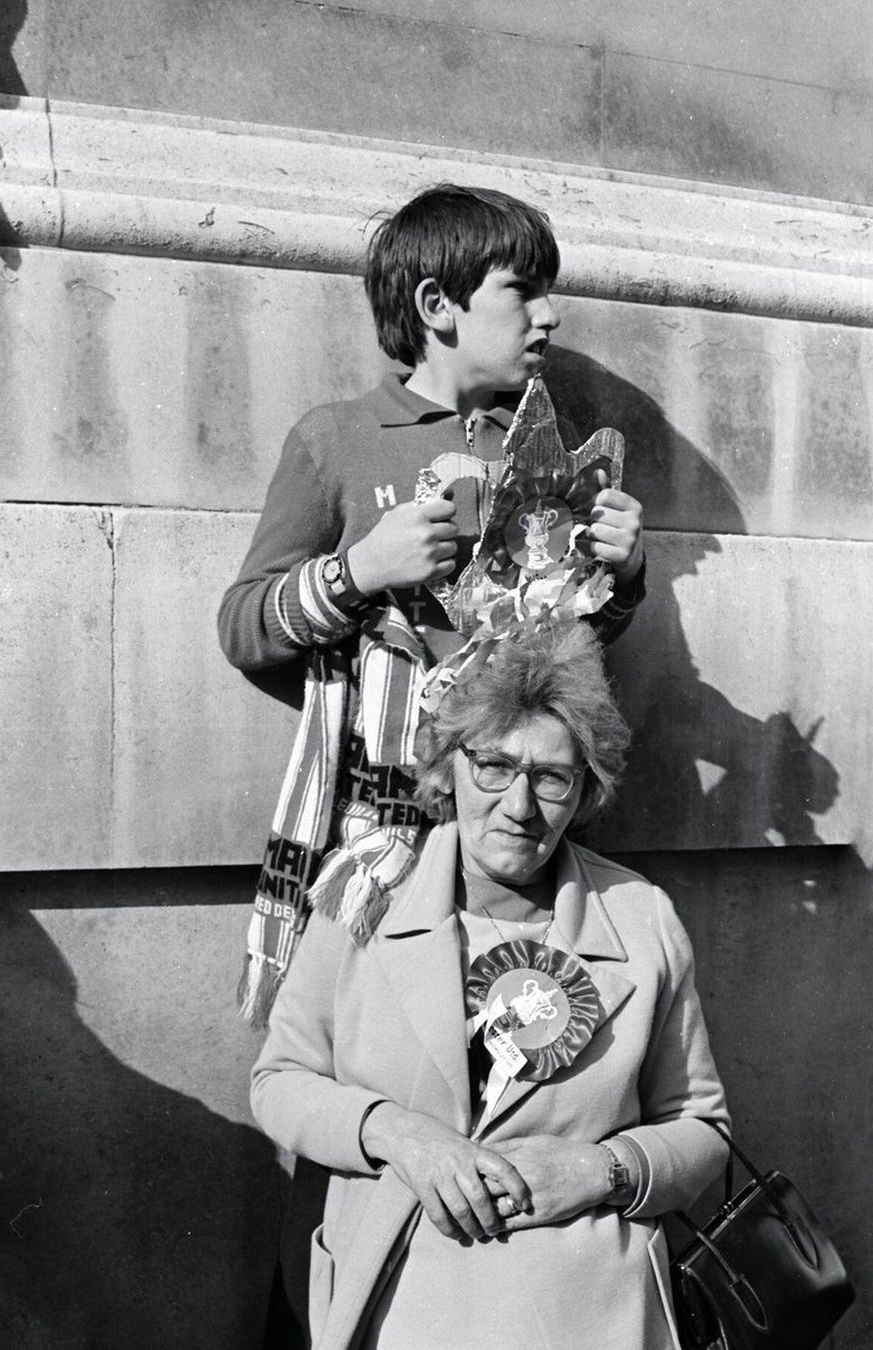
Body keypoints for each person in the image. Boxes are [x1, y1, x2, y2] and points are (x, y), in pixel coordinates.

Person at [218, 183, 646, 1026]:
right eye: (522, 291)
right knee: (377, 1039)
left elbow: (574, 645)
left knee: (516, 1037)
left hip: (519, 825)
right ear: (436, 305)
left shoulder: (540, 447)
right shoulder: (336, 438)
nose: (550, 316)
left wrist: (620, 577)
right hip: (380, 835)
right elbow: (242, 626)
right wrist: (361, 571)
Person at [251, 615, 729, 1349]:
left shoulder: (641, 920)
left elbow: (702, 1129)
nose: (519, 805)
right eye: (495, 766)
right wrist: (398, 1135)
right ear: (448, 766)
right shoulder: (364, 894)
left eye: (552, 778)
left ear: (585, 792)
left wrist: (605, 1168)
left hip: (589, 1312)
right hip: (400, 1296)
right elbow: (280, 1080)